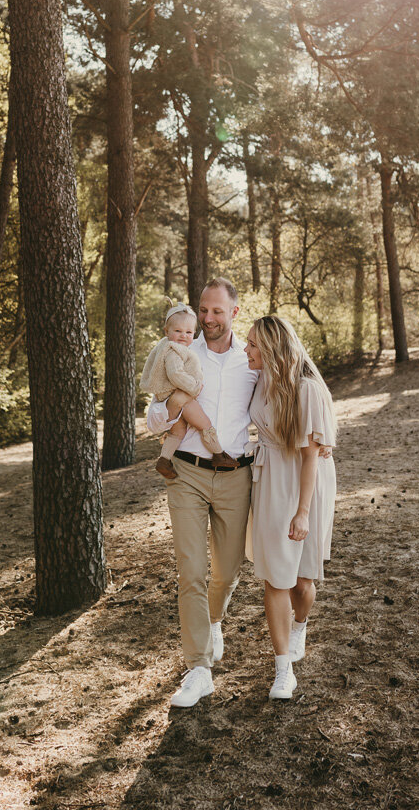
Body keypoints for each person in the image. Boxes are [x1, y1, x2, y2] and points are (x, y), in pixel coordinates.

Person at [147, 277, 258, 708]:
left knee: (226, 573)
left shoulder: (251, 359)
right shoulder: (178, 351)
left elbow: (277, 401)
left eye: (217, 311)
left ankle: (215, 620)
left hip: (236, 475)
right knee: (191, 571)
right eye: (203, 310)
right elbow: (154, 417)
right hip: (186, 474)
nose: (208, 319)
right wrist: (174, 405)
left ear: (233, 312)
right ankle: (198, 669)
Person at [244, 315, 337, 700]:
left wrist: (302, 511)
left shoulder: (307, 389)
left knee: (302, 581)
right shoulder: (257, 379)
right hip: (268, 480)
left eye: (252, 345)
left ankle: (301, 624)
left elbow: (311, 457)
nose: (245, 350)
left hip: (304, 481)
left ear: (270, 349)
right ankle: (283, 669)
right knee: (275, 577)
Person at [140, 302, 240, 478]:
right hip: (179, 395)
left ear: (194, 333)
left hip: (169, 395)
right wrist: (193, 387)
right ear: (167, 331)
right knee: (205, 424)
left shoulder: (166, 347)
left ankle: (164, 459)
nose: (183, 336)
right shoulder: (174, 351)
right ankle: (218, 454)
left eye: (188, 332)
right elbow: (175, 374)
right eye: (177, 331)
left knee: (178, 431)